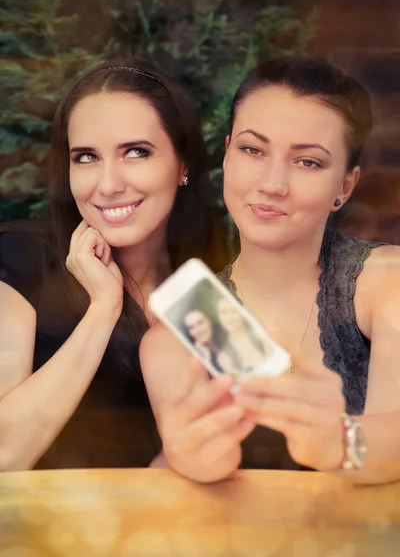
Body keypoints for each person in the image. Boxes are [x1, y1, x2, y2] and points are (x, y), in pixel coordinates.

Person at [140, 56, 400, 484]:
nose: (273, 183)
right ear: (226, 155)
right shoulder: (190, 323)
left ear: (345, 186)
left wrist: (340, 439)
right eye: (252, 150)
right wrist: (193, 458)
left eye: (308, 162)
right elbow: (195, 463)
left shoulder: (383, 280)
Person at [0, 58, 219, 470]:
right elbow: (4, 454)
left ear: (183, 164)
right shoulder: (19, 258)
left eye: (136, 152)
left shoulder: (205, 293)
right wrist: (103, 309)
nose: (108, 184)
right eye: (86, 157)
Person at [216, 297, 271, 373]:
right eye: (223, 312)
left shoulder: (262, 333)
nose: (229, 318)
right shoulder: (224, 357)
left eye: (234, 310)